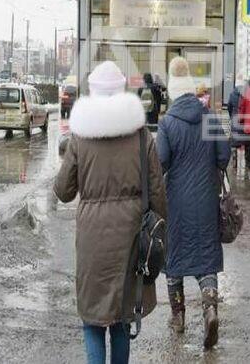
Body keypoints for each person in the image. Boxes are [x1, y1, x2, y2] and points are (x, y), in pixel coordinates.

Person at [54, 61, 167, 364]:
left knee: (92, 319)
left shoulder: (80, 137)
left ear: (93, 93)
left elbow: (63, 191)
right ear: (121, 92)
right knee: (121, 318)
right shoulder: (142, 136)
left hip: (92, 239)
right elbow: (158, 194)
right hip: (130, 239)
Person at [157, 57, 231, 350]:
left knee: (174, 260)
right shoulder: (211, 118)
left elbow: (161, 162)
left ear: (173, 92)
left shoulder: (167, 123)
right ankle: (210, 309)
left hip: (176, 203)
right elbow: (223, 158)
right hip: (205, 199)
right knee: (205, 257)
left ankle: (178, 318)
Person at [226, 77, 245, 169]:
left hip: (234, 119)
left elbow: (229, 107)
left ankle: (234, 161)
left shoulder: (232, 94)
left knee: (234, 142)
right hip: (244, 120)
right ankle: (247, 162)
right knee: (245, 142)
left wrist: (231, 116)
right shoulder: (246, 95)